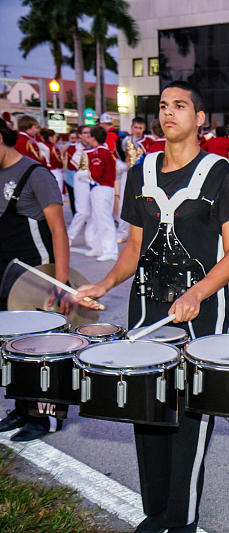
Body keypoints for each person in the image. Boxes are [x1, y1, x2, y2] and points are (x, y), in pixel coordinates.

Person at [75, 80, 229, 533]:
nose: (168, 112)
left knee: (190, 414)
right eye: (162, 106)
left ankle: (182, 520)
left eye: (180, 106)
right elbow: (134, 247)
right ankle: (154, 514)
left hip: (201, 312)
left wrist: (196, 293)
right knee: (148, 410)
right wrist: (105, 283)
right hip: (145, 312)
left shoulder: (223, 176)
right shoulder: (141, 172)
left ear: (200, 118)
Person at [0, 117, 71, 441]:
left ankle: (45, 418)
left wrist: (61, 284)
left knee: (42, 350)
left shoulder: (35, 174)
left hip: (36, 274)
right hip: (6, 276)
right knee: (11, 347)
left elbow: (58, 230)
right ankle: (21, 408)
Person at [85, 126, 118, 262]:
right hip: (103, 188)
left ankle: (110, 251)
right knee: (97, 218)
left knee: (104, 220)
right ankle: (98, 247)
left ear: (93, 138)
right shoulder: (104, 152)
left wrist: (85, 175)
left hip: (101, 188)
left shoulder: (100, 153)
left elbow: (96, 174)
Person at [118, 117, 148, 243]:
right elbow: (120, 154)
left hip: (143, 175)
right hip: (128, 173)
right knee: (124, 202)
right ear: (131, 128)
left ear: (144, 129)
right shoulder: (125, 141)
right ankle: (123, 232)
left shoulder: (147, 141)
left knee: (143, 203)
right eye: (135, 127)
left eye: (140, 128)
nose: (137, 130)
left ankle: (143, 232)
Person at [66, 125, 95, 247]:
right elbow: (71, 166)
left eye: (89, 132)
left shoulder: (95, 145)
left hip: (94, 179)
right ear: (80, 135)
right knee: (83, 211)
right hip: (81, 180)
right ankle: (69, 236)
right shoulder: (74, 147)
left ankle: (90, 238)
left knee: (93, 211)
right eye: (85, 133)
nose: (88, 135)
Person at [63, 129, 79, 214]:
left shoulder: (81, 146)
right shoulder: (66, 146)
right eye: (72, 138)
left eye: (75, 138)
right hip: (69, 175)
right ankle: (74, 215)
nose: (73, 140)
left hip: (79, 175)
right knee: (72, 197)